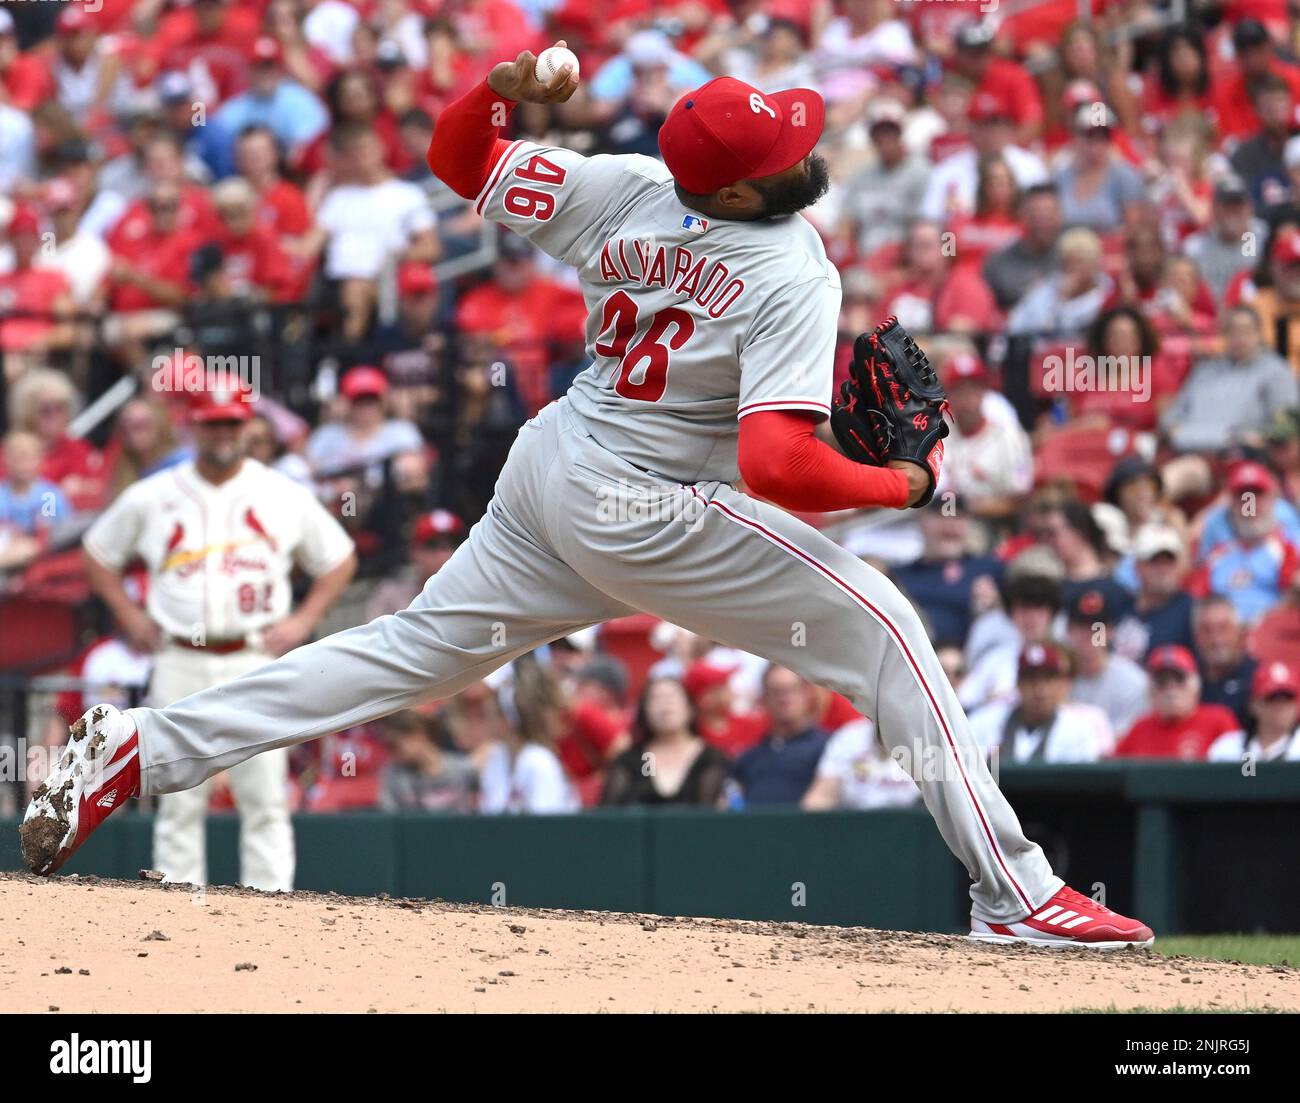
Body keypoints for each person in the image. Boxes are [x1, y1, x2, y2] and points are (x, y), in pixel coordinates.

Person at [26, 48, 1153, 948]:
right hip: (645, 501)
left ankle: (139, 745)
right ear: (751, 184)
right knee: (893, 633)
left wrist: (498, 89)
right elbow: (776, 467)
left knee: (405, 649)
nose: (809, 153)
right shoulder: (791, 267)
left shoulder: (629, 186)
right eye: (790, 148)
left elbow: (462, 158)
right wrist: (907, 479)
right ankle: (1019, 891)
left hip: (554, 465)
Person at [78, 382, 357, 892]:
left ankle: (270, 908)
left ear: (247, 426)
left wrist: (302, 621)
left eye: (232, 422)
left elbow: (338, 558)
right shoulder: (155, 493)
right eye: (213, 423)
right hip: (180, 655)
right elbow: (98, 551)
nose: (224, 433)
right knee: (177, 799)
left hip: (253, 655)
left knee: (266, 796)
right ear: (193, 425)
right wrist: (129, 614)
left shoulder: (279, 492)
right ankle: (175, 911)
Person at [970, 644, 1114, 763]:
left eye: (1048, 679)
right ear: (1018, 683)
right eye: (1031, 679)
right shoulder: (983, 722)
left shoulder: (1079, 731)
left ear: (1060, 683)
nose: (1040, 690)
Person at [601, 676, 729, 806]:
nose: (665, 704)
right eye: (656, 698)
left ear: (690, 708)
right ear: (644, 711)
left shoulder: (712, 759)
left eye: (672, 697)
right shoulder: (629, 761)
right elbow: (608, 815)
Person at [1113, 645, 1243, 760]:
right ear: (1151, 690)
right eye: (1162, 682)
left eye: (1179, 680)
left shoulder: (1219, 720)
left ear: (1195, 685)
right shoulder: (1140, 728)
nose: (1171, 689)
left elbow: (1241, 767)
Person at [730, 666, 830, 807]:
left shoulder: (830, 748)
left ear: (807, 694)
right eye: (776, 692)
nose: (784, 698)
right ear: (764, 698)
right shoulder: (750, 757)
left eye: (791, 689)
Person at [802, 715, 920, 810]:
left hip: (914, 831)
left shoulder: (926, 739)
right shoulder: (849, 738)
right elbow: (822, 796)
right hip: (857, 829)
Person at [377, 710, 477, 812]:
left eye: (394, 745)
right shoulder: (394, 776)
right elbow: (388, 819)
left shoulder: (462, 769)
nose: (393, 754)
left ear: (417, 734)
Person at [1207, 661, 1300, 762]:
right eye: (1272, 699)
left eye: (1288, 699)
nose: (1280, 707)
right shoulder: (1227, 748)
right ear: (1254, 705)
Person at [1192, 594, 1259, 728]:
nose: (1216, 639)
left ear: (1240, 632)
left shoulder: (1258, 677)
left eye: (1224, 628)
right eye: (1207, 630)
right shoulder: (1188, 679)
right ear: (1196, 637)